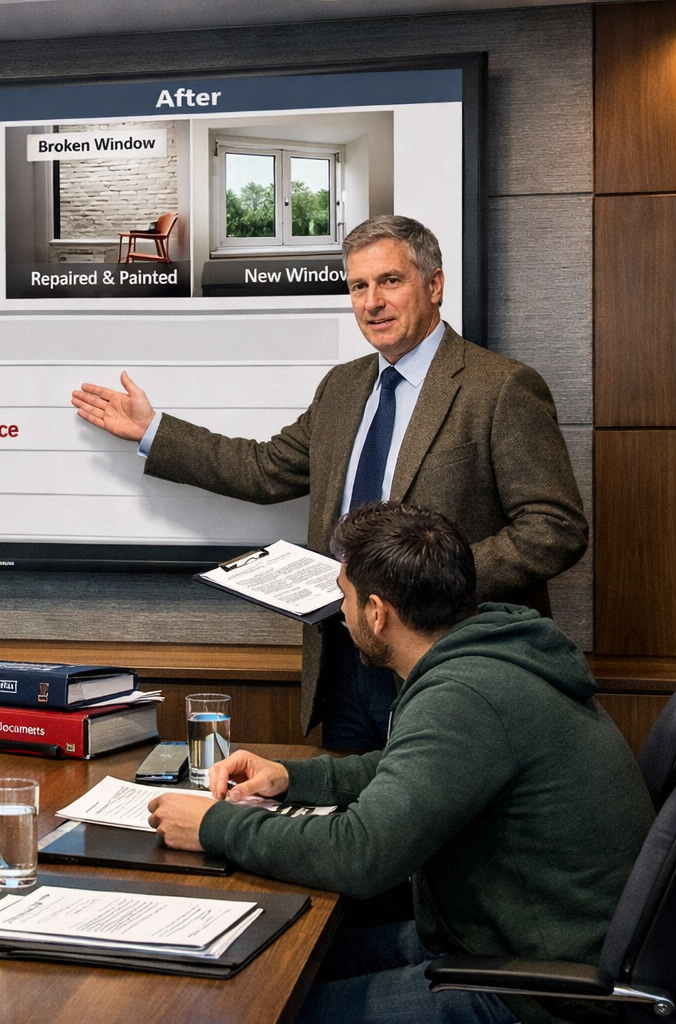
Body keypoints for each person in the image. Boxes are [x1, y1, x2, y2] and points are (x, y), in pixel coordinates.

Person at [72, 215, 587, 749]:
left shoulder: (500, 387)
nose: (372, 303)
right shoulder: (342, 387)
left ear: (434, 285)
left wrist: (431, 582)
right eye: (358, 287)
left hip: (448, 663)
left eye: (390, 281)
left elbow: (555, 527)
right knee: (344, 796)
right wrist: (153, 431)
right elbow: (265, 469)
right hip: (343, 657)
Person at [146, 502, 653, 1024]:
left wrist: (214, 826)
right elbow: (407, 768)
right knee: (259, 968)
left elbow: (360, 855)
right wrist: (292, 776)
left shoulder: (464, 694)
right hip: (496, 938)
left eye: (343, 596)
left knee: (254, 1009)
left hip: (539, 987)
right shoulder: (491, 652)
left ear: (376, 612)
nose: (340, 612)